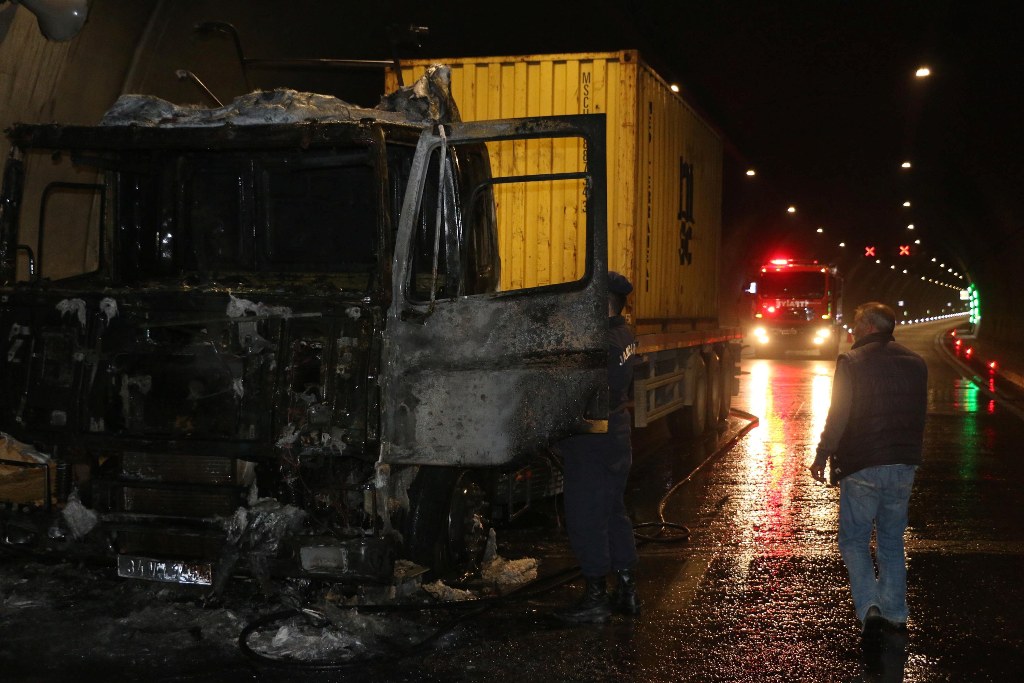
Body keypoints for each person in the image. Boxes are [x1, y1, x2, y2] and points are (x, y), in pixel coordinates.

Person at [809, 302, 927, 636]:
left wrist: (822, 455)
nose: (854, 327)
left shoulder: (851, 362)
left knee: (854, 541)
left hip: (862, 464)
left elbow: (839, 413)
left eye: (858, 322)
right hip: (903, 464)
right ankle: (896, 612)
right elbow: (919, 415)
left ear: (871, 326)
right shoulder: (917, 363)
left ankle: (869, 606)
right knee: (891, 540)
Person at [554, 271, 641, 623]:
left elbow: (573, 393)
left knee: (586, 517)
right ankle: (627, 590)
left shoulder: (599, 342)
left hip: (593, 438)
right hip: (617, 433)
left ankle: (595, 599)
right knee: (613, 511)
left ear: (602, 302)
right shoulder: (624, 335)